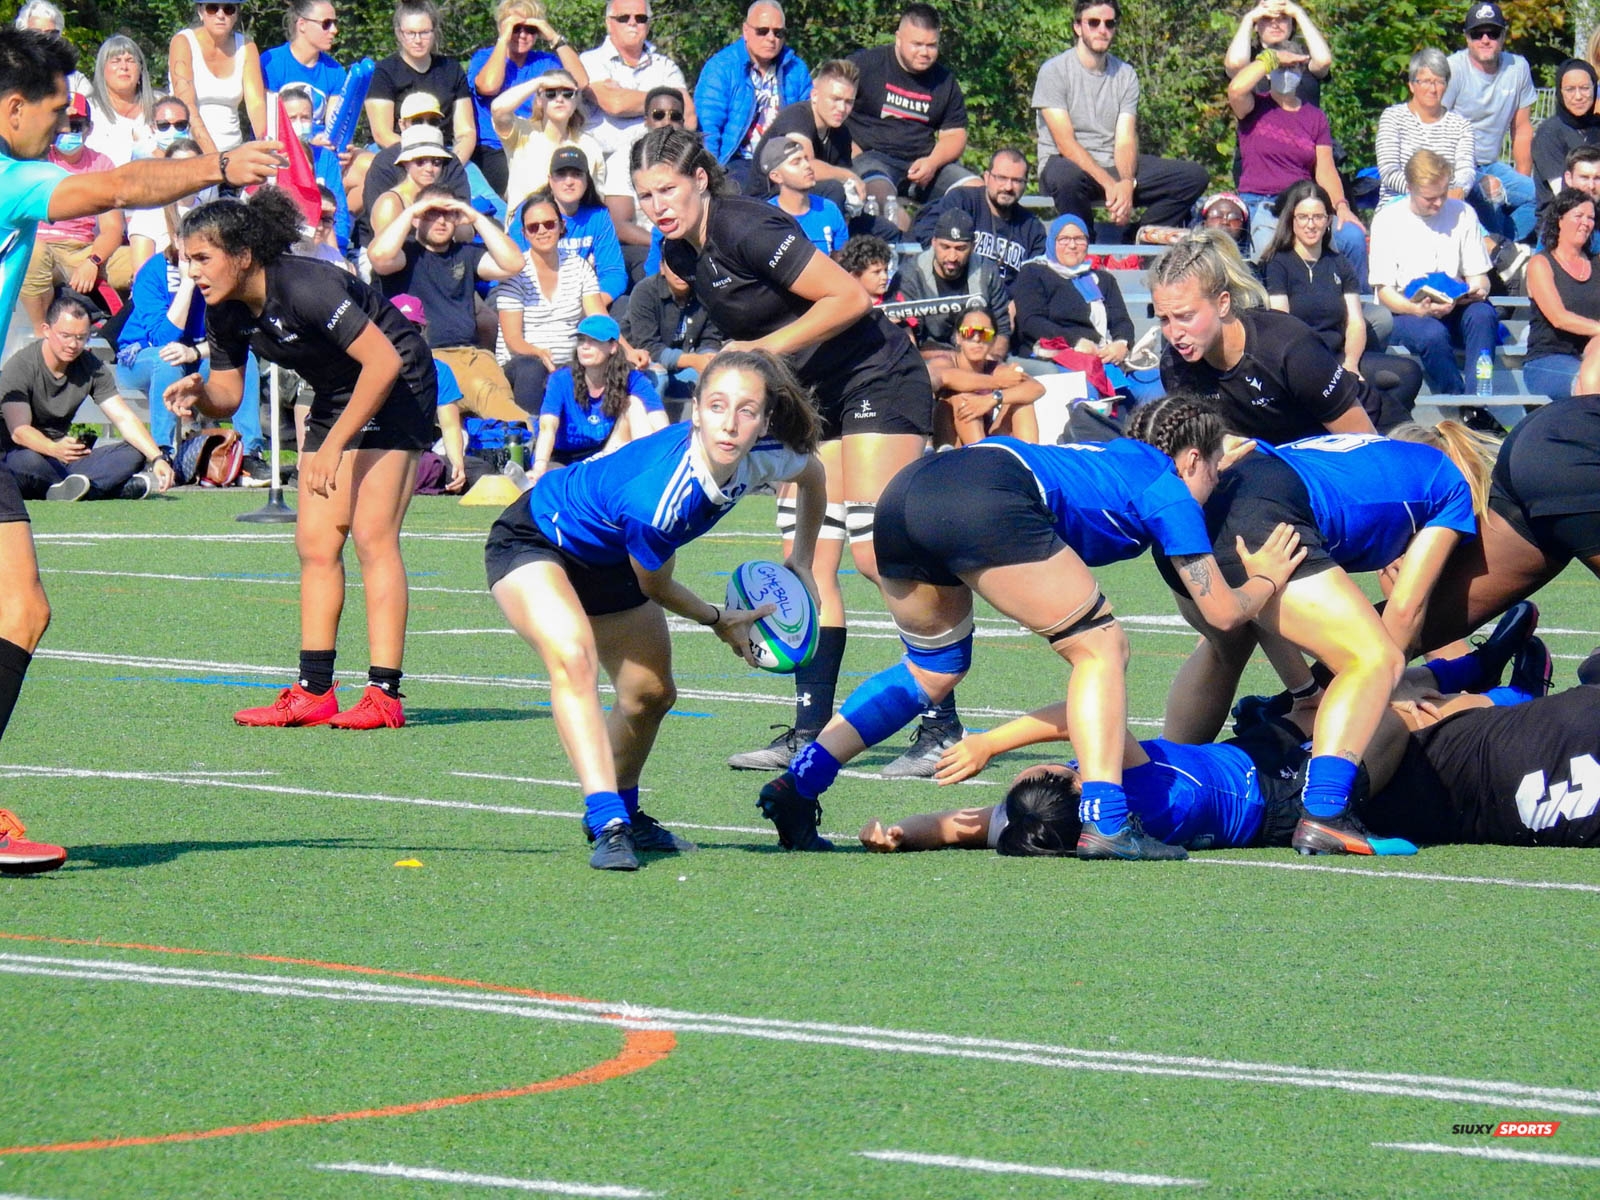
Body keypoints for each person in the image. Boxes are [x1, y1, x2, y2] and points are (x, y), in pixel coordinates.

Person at [754, 393, 1304, 856]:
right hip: (988, 493)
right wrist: (1267, 578)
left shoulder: (1114, 454)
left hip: (912, 487)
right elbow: (1225, 614)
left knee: (931, 669)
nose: (1215, 483)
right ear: (1189, 460)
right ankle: (1109, 821)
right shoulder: (1169, 484)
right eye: (1214, 471)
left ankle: (802, 781)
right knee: (1101, 649)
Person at [0, 28, 280, 873]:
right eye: (51, 118)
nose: (56, 135)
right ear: (10, 109)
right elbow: (116, 185)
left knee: (23, 611)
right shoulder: (14, 176)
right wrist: (219, 168)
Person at [631, 126, 938, 775]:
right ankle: (809, 731)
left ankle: (941, 724)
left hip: (877, 377)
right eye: (644, 195)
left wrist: (762, 356)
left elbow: (849, 297)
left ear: (700, 181)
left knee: (879, 553)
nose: (657, 204)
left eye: (666, 189)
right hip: (809, 397)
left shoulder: (746, 225)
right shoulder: (681, 254)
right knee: (806, 564)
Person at [487, 349, 826, 870]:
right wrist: (718, 618)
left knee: (650, 694)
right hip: (537, 539)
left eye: (746, 410)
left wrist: (801, 560)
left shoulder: (764, 454)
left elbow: (814, 476)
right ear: (695, 410)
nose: (730, 423)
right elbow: (657, 584)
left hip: (612, 558)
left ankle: (626, 810)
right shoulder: (661, 499)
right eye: (716, 406)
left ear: (764, 420)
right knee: (573, 658)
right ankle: (607, 822)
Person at [1134, 405, 1483, 854]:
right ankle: (1326, 812)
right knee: (1375, 660)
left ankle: (1163, 778)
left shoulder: (1338, 451)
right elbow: (1405, 612)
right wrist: (1386, 689)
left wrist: (1303, 692)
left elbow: (1261, 618)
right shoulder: (1449, 484)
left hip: (1185, 519)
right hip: (1261, 515)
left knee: (1226, 644)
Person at [167, 187, 437, 731]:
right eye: (185, 258)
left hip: (398, 380)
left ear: (243, 256)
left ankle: (385, 693)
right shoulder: (223, 308)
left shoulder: (307, 286)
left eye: (202, 257)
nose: (191, 270)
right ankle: (314, 690)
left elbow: (382, 363)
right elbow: (227, 393)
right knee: (315, 542)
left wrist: (333, 445)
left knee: (372, 535)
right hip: (340, 393)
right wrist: (200, 394)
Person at [1154, 230, 1378, 443]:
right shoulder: (1175, 368)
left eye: (1185, 316)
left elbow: (1365, 446)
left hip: (1364, 432)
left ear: (1222, 304)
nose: (1174, 333)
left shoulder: (1289, 348)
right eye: (1164, 319)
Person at [1034, 0, 1208, 239]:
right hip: (1066, 166)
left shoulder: (1125, 74)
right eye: (1093, 23)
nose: (1102, 29)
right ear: (1077, 27)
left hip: (1113, 164)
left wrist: (1127, 182)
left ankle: (1137, 241)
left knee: (1192, 177)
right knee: (1066, 177)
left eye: (1109, 23)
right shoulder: (1054, 71)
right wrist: (1110, 184)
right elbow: (1066, 144)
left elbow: (1125, 139)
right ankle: (1084, 244)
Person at [1261, 180, 1421, 430]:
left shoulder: (1339, 264)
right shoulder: (1278, 264)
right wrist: (1317, 368)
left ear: (1328, 221)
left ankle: (1378, 436)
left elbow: (1355, 321)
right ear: (1291, 219)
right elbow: (1282, 324)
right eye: (1303, 217)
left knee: (1408, 373)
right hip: (1302, 364)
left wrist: (1351, 363)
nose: (1310, 224)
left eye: (1318, 216)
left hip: (1338, 357)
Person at [368, 185, 526, 419]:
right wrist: (411, 212)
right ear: (416, 218)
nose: (441, 220)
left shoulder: (466, 253)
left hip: (474, 355)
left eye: (448, 213)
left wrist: (474, 217)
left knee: (500, 394)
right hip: (429, 356)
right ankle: (535, 437)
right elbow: (379, 257)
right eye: (431, 213)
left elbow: (514, 264)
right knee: (483, 392)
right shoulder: (405, 254)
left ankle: (504, 446)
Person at [116, 230, 267, 475]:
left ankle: (250, 453)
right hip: (141, 357)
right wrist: (187, 284)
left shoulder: (222, 273)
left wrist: (195, 353)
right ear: (176, 241)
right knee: (166, 359)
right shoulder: (154, 271)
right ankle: (162, 453)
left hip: (194, 358)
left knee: (245, 359)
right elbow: (162, 339)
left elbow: (238, 337)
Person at [2, 294, 174, 501]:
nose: (73, 345)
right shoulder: (21, 365)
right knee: (25, 462)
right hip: (26, 452)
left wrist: (157, 458)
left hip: (65, 457)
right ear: (47, 331)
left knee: (134, 452)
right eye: (65, 336)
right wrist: (53, 449)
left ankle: (73, 489)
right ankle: (103, 489)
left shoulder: (91, 366)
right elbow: (19, 432)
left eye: (81, 337)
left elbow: (123, 418)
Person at [1225, 38, 1365, 285]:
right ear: (1268, 74)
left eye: (1292, 69)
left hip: (1303, 204)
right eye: (1281, 69)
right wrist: (1272, 59)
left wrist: (1341, 207)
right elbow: (1235, 89)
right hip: (1260, 204)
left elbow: (1325, 169)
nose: (1286, 74)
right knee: (1273, 247)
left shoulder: (1315, 117)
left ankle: (1356, 308)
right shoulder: (1254, 106)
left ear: (1302, 73)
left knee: (1352, 237)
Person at [1370, 149, 1498, 399]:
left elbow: (1478, 274)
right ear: (1410, 188)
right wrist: (1417, 310)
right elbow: (1384, 291)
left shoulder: (1463, 212)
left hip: (1454, 305)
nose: (1439, 203)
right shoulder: (1388, 219)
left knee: (1483, 314)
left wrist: (1478, 289)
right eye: (1430, 198)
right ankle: (1458, 399)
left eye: (1443, 194)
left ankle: (1478, 399)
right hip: (1405, 310)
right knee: (1431, 333)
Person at [19, 93, 134, 333]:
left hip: (84, 250)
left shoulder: (101, 165)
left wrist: (93, 261)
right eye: (61, 124)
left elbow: (113, 229)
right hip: (43, 246)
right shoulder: (36, 158)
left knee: (144, 263)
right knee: (33, 250)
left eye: (75, 125)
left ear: (89, 129)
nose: (67, 131)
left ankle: (136, 334)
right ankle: (41, 335)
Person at [846, 4, 973, 218]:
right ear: (898, 38)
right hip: (871, 158)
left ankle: (932, 241)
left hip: (924, 164)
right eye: (917, 44)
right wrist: (849, 150)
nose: (924, 52)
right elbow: (827, 107)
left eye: (931, 45)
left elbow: (955, 135)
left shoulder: (945, 81)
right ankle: (901, 242)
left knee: (974, 194)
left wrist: (932, 162)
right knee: (885, 202)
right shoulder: (864, 65)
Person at [495, 186, 607, 415]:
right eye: (533, 227)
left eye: (549, 224)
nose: (542, 231)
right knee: (532, 369)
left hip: (569, 362)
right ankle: (531, 435)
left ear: (561, 226)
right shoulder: (515, 273)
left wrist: (626, 349)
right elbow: (512, 338)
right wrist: (539, 353)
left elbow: (599, 319)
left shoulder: (579, 266)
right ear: (525, 233)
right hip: (523, 362)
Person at [1014, 213, 1151, 397]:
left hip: (1100, 355)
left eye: (1079, 239)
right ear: (1052, 242)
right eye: (1064, 239)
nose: (1072, 245)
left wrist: (1121, 344)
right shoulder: (1034, 273)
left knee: (1149, 386)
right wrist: (1076, 342)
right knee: (1091, 388)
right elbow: (1031, 322)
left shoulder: (1103, 279)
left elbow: (1122, 321)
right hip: (1054, 355)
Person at [468, 0, 589, 200]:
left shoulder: (545, 61)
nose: (523, 35)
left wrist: (553, 36)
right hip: (494, 147)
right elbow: (489, 86)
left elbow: (581, 82)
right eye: (517, 28)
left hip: (536, 143)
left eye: (530, 29)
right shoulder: (484, 58)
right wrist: (504, 38)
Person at [528, 311, 665, 481]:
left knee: (635, 404)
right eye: (581, 340)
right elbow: (548, 427)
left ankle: (651, 474)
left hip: (602, 455)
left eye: (594, 340)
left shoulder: (632, 379)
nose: (585, 346)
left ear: (613, 347)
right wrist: (540, 466)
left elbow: (661, 426)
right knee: (555, 479)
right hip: (560, 459)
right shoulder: (560, 380)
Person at [691, 1, 810, 193]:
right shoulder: (722, 68)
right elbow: (708, 129)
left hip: (786, 159)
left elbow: (807, 122)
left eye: (778, 32)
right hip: (738, 161)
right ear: (745, 31)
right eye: (762, 31)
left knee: (830, 190)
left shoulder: (796, 70)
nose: (771, 38)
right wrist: (710, 176)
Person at [581, 0, 695, 197]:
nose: (633, 23)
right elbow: (615, 104)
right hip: (604, 171)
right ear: (609, 23)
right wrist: (663, 99)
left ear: (649, 25)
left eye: (640, 18)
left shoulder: (665, 65)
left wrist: (625, 95)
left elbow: (689, 117)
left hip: (660, 166)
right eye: (624, 18)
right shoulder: (588, 62)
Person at [1444, 1, 1536, 244]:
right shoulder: (1452, 69)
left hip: (1492, 164)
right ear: (1467, 38)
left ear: (1503, 36)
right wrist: (1463, 177)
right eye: (1477, 33)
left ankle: (1503, 246)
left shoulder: (1518, 68)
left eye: (1493, 33)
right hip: (1456, 167)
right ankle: (1500, 251)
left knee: (1541, 197)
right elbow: (1435, 127)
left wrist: (1521, 177)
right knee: (1489, 195)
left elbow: (1522, 128)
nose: (1485, 39)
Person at [353, 92, 471, 253]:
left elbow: (464, 228)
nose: (429, 168)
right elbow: (384, 247)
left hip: (439, 250)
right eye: (417, 121)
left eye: (433, 121)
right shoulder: (384, 163)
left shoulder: (451, 162)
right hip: (389, 252)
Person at [910, 148, 1046, 286]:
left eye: (1017, 181)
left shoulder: (1032, 228)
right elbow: (927, 233)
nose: (1008, 187)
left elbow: (1035, 280)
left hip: (1007, 303)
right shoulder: (961, 201)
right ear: (986, 177)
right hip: (959, 293)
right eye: (1002, 178)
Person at [366, 0, 473, 163]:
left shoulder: (452, 69)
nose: (418, 40)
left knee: (484, 190)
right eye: (410, 33)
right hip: (397, 150)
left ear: (434, 32)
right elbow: (382, 133)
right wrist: (422, 158)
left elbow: (466, 132)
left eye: (424, 33)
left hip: (445, 152)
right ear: (399, 33)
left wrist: (453, 164)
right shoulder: (384, 71)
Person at [894, 207, 1011, 354]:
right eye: (945, 247)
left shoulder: (987, 271)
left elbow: (1002, 328)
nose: (952, 257)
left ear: (973, 246)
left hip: (981, 354)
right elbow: (908, 336)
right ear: (934, 243)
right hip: (930, 358)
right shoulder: (911, 274)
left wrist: (993, 360)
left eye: (960, 248)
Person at [596, 84, 684, 279]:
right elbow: (619, 225)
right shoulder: (624, 159)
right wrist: (662, 242)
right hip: (641, 246)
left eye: (675, 116)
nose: (667, 122)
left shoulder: (693, 158)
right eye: (658, 115)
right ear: (646, 120)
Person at [746, 58, 858, 208]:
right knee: (833, 189)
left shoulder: (842, 133)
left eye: (848, 102)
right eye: (835, 99)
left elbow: (846, 181)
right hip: (768, 202)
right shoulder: (797, 117)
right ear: (815, 95)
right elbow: (806, 167)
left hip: (807, 200)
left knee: (884, 229)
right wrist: (849, 177)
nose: (842, 108)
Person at [494, 67, 605, 215]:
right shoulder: (522, 132)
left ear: (576, 100)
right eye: (551, 93)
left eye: (567, 93)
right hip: (524, 229)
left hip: (575, 230)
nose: (559, 99)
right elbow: (498, 109)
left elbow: (597, 201)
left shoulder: (589, 146)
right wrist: (540, 82)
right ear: (539, 100)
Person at [1375, 48, 1477, 207]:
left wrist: (1452, 193)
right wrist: (1426, 194)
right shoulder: (1392, 117)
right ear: (1411, 85)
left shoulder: (1462, 126)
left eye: (1439, 82)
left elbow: (1466, 172)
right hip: (1399, 205)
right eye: (1426, 81)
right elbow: (1389, 171)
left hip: (1446, 205)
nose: (1433, 89)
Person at [928, 304, 1041, 446]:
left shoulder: (993, 366)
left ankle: (1029, 461)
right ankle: (983, 457)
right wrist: (998, 382)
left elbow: (1037, 388)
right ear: (958, 338)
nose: (976, 339)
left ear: (993, 340)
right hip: (952, 446)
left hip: (986, 438)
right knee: (962, 398)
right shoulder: (944, 362)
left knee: (1022, 399)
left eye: (984, 334)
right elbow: (946, 377)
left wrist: (993, 399)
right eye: (968, 332)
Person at [1524, 189, 1600, 400]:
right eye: (1579, 216)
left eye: (1591, 218)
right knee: (1590, 382)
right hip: (1548, 360)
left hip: (1592, 353)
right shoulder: (1541, 263)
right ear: (1560, 219)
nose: (1586, 223)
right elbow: (1558, 318)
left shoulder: (1597, 264)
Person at [168, 1, 266, 159]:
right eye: (212, 8)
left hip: (233, 152)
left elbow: (256, 104)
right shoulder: (183, 42)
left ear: (236, 15)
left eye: (228, 9)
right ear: (201, 12)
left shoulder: (246, 47)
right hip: (189, 152)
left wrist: (264, 146)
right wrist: (215, 159)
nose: (221, 15)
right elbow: (187, 106)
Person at [626, 255, 723, 409]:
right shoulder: (644, 292)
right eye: (674, 266)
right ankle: (648, 429)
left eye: (687, 266)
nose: (680, 273)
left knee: (715, 375)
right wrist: (693, 360)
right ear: (662, 268)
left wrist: (707, 358)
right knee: (658, 376)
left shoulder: (706, 293)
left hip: (685, 366)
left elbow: (710, 338)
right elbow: (648, 347)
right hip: (644, 366)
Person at [543, 145, 626, 307]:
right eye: (561, 174)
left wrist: (590, 306)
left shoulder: (599, 215)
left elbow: (614, 273)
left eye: (576, 174)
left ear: (587, 180)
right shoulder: (530, 213)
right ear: (550, 180)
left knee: (624, 304)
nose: (569, 182)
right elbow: (518, 270)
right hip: (539, 298)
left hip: (586, 299)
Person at [278, 84, 350, 256]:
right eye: (292, 118)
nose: (299, 123)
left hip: (325, 240)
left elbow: (339, 209)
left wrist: (340, 250)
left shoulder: (326, 157)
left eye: (305, 118)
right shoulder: (273, 157)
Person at [366, 124, 456, 260]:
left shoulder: (444, 196)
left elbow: (464, 236)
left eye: (436, 162)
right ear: (405, 163)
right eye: (420, 162)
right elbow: (383, 254)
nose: (429, 169)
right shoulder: (390, 202)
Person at [1222, 0, 1332, 105]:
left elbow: (1324, 61)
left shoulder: (1303, 56)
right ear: (1256, 25)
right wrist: (1248, 19)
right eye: (1266, 18)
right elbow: (1235, 64)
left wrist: (1299, 13)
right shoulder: (1248, 58)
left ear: (1292, 24)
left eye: (1283, 18)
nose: (1275, 25)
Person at [1532, 60, 1600, 219]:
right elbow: (1564, 195)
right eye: (1570, 89)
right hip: (1563, 223)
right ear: (1560, 92)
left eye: (1585, 88)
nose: (1578, 96)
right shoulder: (1549, 133)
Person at [260, 0, 345, 126]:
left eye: (334, 23)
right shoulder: (271, 62)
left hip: (318, 145)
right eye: (326, 23)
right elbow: (270, 123)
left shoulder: (335, 71)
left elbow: (333, 129)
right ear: (302, 25)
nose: (334, 30)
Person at [761, 134, 847, 255]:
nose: (807, 165)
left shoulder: (829, 209)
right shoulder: (766, 218)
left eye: (806, 159)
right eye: (796, 162)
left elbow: (842, 261)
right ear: (776, 176)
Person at [85, 36, 158, 167]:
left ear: (140, 69)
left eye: (130, 61)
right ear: (102, 69)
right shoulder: (88, 110)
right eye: (116, 61)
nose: (124, 67)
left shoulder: (161, 107)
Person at [13, 3, 86, 99]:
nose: (44, 39)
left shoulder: (74, 79)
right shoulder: (11, 73)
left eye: (51, 34)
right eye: (36, 33)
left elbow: (90, 108)